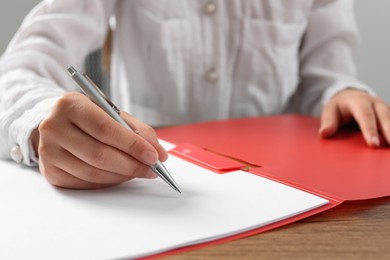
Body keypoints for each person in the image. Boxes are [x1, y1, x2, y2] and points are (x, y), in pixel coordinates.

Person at [0, 0, 389, 189]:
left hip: (286, 188)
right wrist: (38, 118)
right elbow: (18, 69)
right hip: (140, 182)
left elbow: (326, 79)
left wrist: (344, 93)